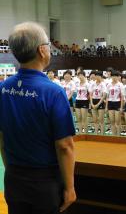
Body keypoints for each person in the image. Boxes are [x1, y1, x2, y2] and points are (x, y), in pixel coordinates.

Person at [0, 22, 76, 214]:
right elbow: (65, 146)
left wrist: (12, 170)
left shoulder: (3, 89)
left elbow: (1, 137)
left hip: (13, 177)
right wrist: (70, 187)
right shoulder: (53, 92)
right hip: (44, 181)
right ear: (42, 50)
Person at [106, 70, 124, 136]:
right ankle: (114, 135)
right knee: (112, 121)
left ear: (118, 77)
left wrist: (121, 107)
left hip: (117, 103)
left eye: (115, 76)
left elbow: (122, 97)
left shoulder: (120, 85)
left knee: (117, 121)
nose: (114, 77)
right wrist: (106, 107)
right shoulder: (109, 85)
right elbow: (107, 96)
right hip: (110, 103)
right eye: (113, 76)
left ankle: (118, 135)